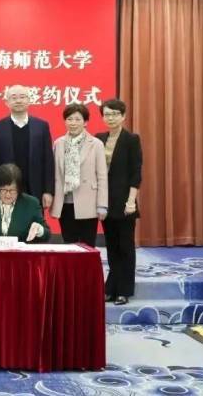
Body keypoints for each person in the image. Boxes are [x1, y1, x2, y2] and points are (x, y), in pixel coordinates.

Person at [97, 99, 142, 305]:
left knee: (126, 247)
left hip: (125, 202)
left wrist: (131, 201)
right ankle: (111, 287)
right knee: (112, 247)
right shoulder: (99, 138)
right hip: (105, 202)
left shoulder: (131, 139)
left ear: (123, 116)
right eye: (107, 114)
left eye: (115, 114)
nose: (111, 118)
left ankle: (124, 290)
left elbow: (135, 173)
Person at [0, 84, 55, 209]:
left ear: (29, 100)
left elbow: (48, 161)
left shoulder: (41, 126)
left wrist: (48, 191)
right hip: (6, 190)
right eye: (14, 97)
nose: (18, 101)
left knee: (34, 221)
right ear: (7, 102)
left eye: (22, 97)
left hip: (35, 190)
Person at [50, 103, 108, 247]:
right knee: (69, 244)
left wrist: (102, 205)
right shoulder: (58, 143)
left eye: (77, 119)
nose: (73, 123)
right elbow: (54, 173)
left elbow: (102, 176)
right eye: (69, 119)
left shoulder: (96, 144)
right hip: (65, 202)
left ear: (85, 122)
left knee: (87, 245)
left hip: (88, 201)